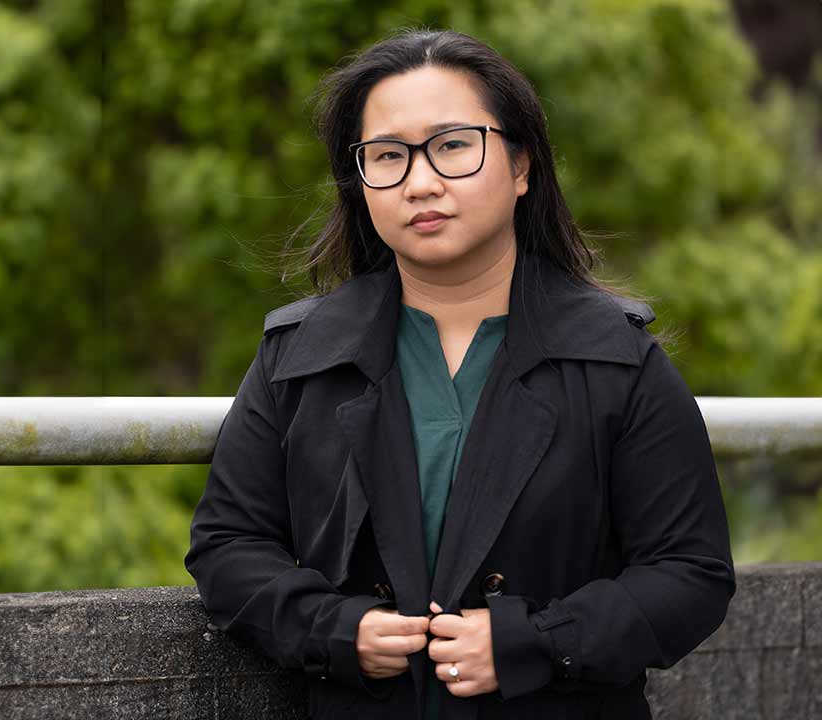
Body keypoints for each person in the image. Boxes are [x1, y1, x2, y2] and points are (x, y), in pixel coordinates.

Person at [184, 28, 735, 720]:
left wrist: (532, 643)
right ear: (359, 184)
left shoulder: (617, 362)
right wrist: (333, 629)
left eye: (451, 146)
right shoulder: (301, 358)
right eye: (387, 156)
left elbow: (691, 574)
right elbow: (228, 545)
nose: (420, 182)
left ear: (521, 165)